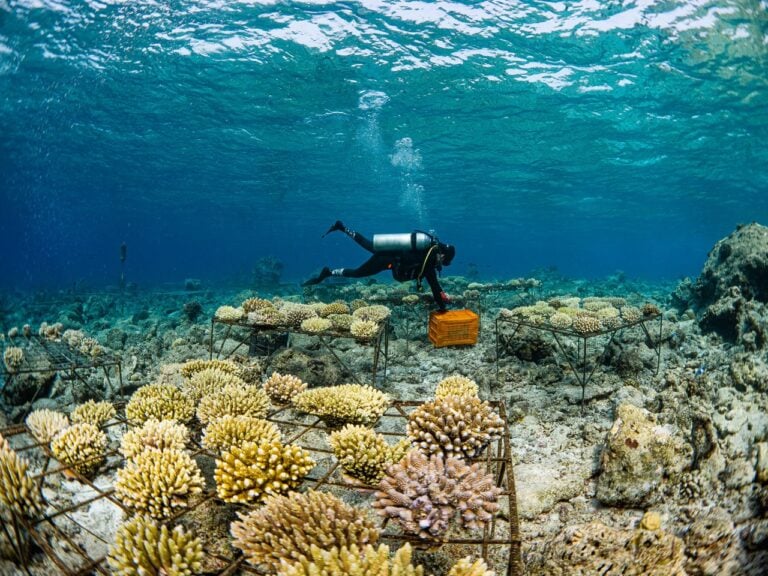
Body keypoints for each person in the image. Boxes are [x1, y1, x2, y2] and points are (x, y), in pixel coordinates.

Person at [302, 221, 456, 311]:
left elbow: (435, 286)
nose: (441, 264)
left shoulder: (427, 253)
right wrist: (443, 309)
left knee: (369, 245)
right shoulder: (429, 260)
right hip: (387, 260)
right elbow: (434, 286)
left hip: (390, 258)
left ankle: (342, 227)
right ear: (442, 255)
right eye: (444, 261)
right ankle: (328, 272)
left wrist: (441, 295)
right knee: (357, 273)